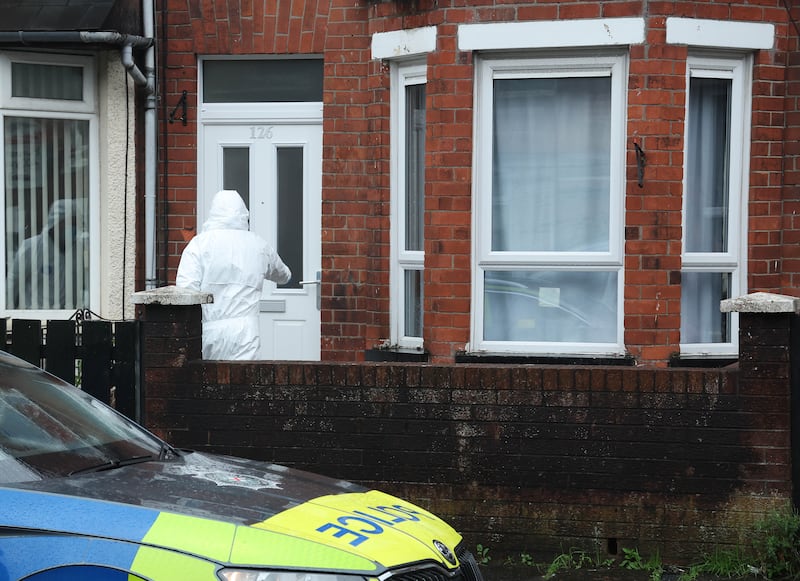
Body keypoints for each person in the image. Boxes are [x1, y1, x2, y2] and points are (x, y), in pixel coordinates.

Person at [176, 189, 291, 360]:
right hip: (247, 331)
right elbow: (284, 275)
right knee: (244, 382)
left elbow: (185, 291)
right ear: (244, 214)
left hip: (209, 329)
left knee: (210, 383)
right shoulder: (258, 245)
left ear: (213, 213)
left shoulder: (199, 245)